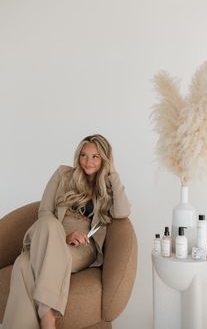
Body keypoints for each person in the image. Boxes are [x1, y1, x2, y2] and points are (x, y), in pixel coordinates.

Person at [2, 134, 131, 329]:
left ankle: (43, 317)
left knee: (23, 263)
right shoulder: (62, 175)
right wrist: (63, 236)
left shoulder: (108, 187)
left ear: (104, 159)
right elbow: (44, 211)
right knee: (47, 226)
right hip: (51, 236)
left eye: (95, 156)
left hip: (82, 246)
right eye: (84, 155)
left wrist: (113, 172)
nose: (88, 161)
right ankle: (48, 316)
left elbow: (122, 212)